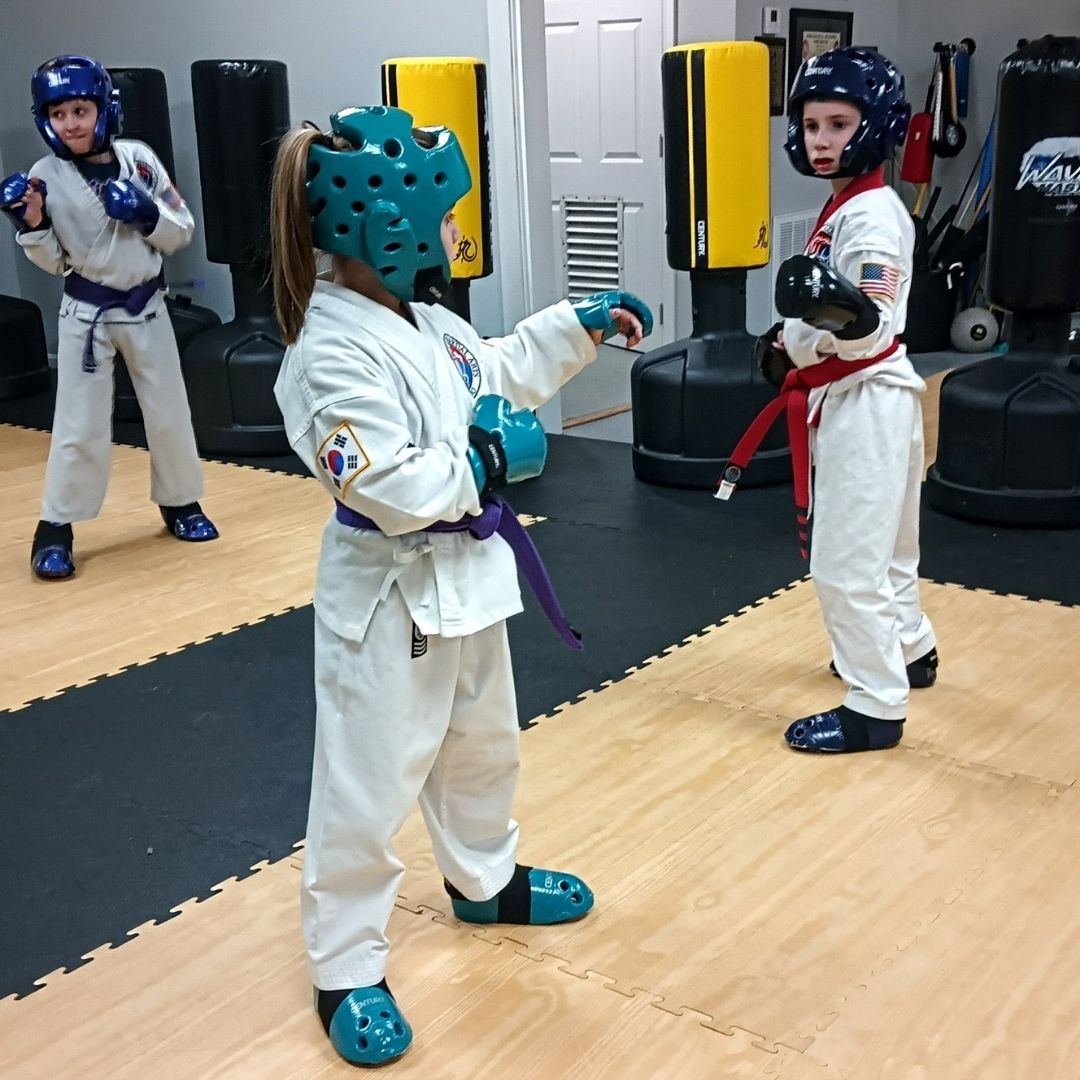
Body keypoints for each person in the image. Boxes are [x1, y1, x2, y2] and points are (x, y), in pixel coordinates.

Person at [269, 104, 651, 1066]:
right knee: (366, 786)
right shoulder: (327, 352)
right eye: (444, 217)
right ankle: (345, 964)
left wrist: (578, 327)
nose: (455, 235)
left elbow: (499, 373)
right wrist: (480, 462)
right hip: (388, 592)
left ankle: (484, 880)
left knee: (483, 746)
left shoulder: (428, 321)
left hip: (470, 580)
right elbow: (384, 482)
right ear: (383, 227)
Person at [724, 48, 938, 754]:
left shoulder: (873, 217)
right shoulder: (850, 202)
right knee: (891, 552)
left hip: (865, 398)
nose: (821, 140)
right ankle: (909, 649)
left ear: (873, 126)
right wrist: (789, 337)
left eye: (839, 124)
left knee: (846, 565)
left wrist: (802, 340)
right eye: (812, 124)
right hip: (871, 393)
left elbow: (866, 318)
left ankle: (876, 705)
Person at [0, 55, 217, 581]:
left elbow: (181, 227)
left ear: (103, 108)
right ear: (44, 121)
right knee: (78, 424)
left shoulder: (139, 160)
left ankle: (181, 502)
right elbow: (53, 259)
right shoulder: (45, 175)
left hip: (147, 307)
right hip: (86, 313)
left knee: (169, 413)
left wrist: (145, 214)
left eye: (80, 109)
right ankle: (55, 526)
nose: (70, 123)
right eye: (58, 114)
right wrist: (28, 222)